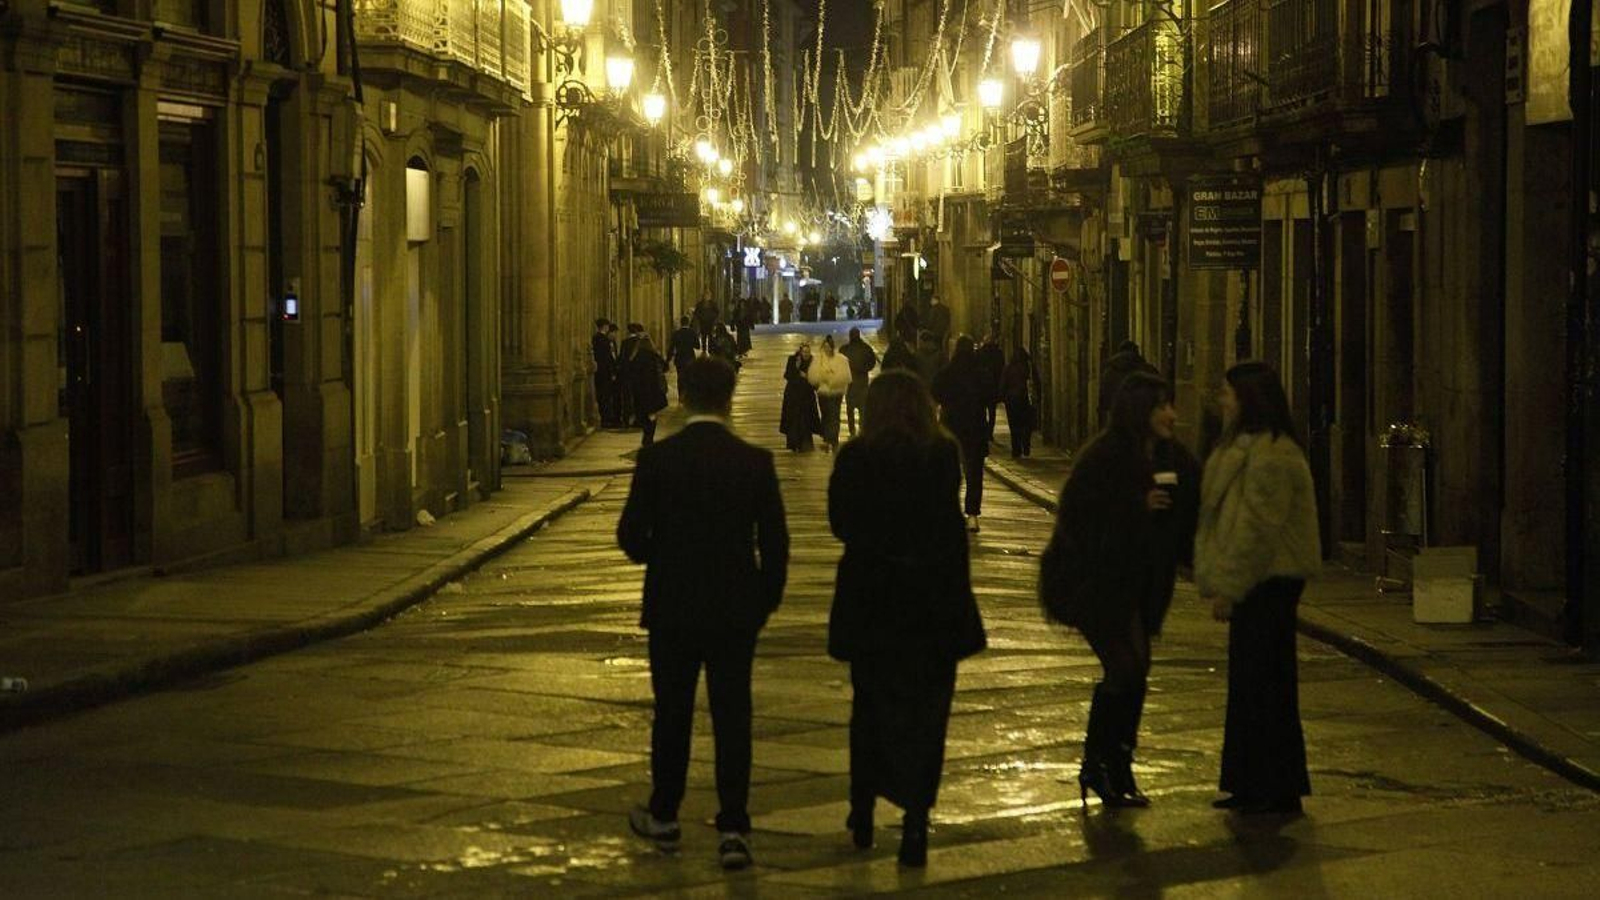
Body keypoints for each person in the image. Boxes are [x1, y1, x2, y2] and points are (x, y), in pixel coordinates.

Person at [617, 356, 790, 870]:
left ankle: (665, 813)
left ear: (684, 397)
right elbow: (776, 546)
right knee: (733, 715)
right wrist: (763, 601)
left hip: (672, 607)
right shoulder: (754, 462)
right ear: (729, 397)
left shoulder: (658, 462)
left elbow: (629, 537)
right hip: (735, 610)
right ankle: (734, 826)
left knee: (672, 712)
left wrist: (662, 557)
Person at [827, 370, 987, 867]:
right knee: (926, 717)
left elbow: (840, 524)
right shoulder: (941, 455)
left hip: (872, 604)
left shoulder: (855, 458)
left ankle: (862, 811)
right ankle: (915, 820)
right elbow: (948, 530)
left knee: (869, 708)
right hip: (930, 606)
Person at [1041, 371, 1200, 808]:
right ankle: (1098, 765)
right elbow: (1077, 519)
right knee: (1126, 668)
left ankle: (1118, 765)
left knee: (1136, 672)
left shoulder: (1174, 458)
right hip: (1095, 584)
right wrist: (1135, 505)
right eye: (1162, 406)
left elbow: (1190, 515)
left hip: (1141, 585)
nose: (1172, 414)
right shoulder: (1104, 457)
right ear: (1140, 412)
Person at [1196, 361, 1321, 816]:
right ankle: (1252, 781)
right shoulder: (1247, 448)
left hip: (1270, 581)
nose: (1222, 401)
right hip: (1260, 580)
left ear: (1248, 398)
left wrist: (1230, 585)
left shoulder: (1272, 454)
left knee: (1266, 684)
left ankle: (1273, 785)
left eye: (1228, 394)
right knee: (1251, 684)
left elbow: (1257, 528)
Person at [931, 335, 991, 533]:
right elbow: (992, 395)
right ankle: (972, 515)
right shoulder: (981, 374)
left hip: (951, 427)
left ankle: (947, 510)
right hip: (975, 428)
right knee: (974, 473)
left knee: (948, 469)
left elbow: (935, 392)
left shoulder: (947, 372)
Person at [807, 334, 853, 453]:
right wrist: (823, 378)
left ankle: (833, 440)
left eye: (828, 347)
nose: (827, 349)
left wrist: (832, 380)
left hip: (836, 392)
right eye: (825, 347)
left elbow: (845, 376)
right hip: (823, 392)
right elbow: (813, 376)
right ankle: (828, 438)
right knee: (826, 415)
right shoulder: (818, 359)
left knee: (834, 415)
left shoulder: (841, 359)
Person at [1099, 340, 1158, 426]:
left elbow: (1105, 395)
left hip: (1117, 416)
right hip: (1141, 417)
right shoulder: (1147, 370)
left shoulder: (1110, 371)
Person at [627, 332, 670, 446]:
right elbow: (666, 367)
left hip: (639, 390)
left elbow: (630, 371)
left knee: (642, 414)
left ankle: (646, 436)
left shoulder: (635, 357)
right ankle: (649, 437)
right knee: (652, 415)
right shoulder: (654, 355)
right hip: (653, 390)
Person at [780, 342, 821, 452]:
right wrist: (797, 369)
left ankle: (805, 444)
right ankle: (794, 444)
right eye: (804, 352)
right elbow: (787, 375)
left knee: (805, 420)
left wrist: (807, 376)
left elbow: (816, 379)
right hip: (793, 395)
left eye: (808, 352)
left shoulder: (813, 361)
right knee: (794, 420)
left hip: (806, 396)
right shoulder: (793, 360)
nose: (806, 354)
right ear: (800, 352)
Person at [840, 326, 880, 436]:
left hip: (850, 383)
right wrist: (863, 369)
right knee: (862, 409)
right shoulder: (866, 348)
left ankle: (852, 431)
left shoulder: (844, 349)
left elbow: (840, 364)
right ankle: (862, 430)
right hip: (862, 382)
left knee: (850, 409)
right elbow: (872, 363)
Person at [1001, 347, 1039, 458]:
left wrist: (1003, 397)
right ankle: (1026, 445)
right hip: (1026, 399)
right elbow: (1036, 382)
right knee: (1026, 424)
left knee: (1014, 426)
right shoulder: (1029, 368)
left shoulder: (1008, 368)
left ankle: (1016, 449)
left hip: (1012, 401)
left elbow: (1003, 384)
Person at [975, 330, 1006, 444]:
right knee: (992, 412)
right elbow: (1001, 369)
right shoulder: (998, 353)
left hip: (982, 388)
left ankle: (984, 431)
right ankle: (990, 433)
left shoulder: (979, 353)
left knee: (982, 412)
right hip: (993, 387)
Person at [592, 318, 620, 426]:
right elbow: (607, 358)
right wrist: (612, 372)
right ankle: (606, 419)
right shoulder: (604, 340)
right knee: (605, 395)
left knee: (603, 395)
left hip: (600, 371)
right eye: (607, 326)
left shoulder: (595, 338)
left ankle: (606, 418)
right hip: (605, 372)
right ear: (604, 326)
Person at [666, 316, 700, 399]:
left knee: (680, 377)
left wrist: (668, 359)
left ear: (681, 323)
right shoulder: (692, 332)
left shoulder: (676, 333)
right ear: (688, 322)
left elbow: (671, 347)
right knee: (689, 376)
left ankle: (680, 395)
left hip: (680, 358)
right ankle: (689, 395)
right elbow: (697, 346)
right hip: (690, 357)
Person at [619, 323, 644, 427]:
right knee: (638, 396)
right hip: (639, 374)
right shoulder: (641, 342)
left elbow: (622, 358)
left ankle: (625, 420)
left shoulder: (624, 342)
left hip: (627, 374)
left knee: (627, 397)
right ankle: (638, 420)